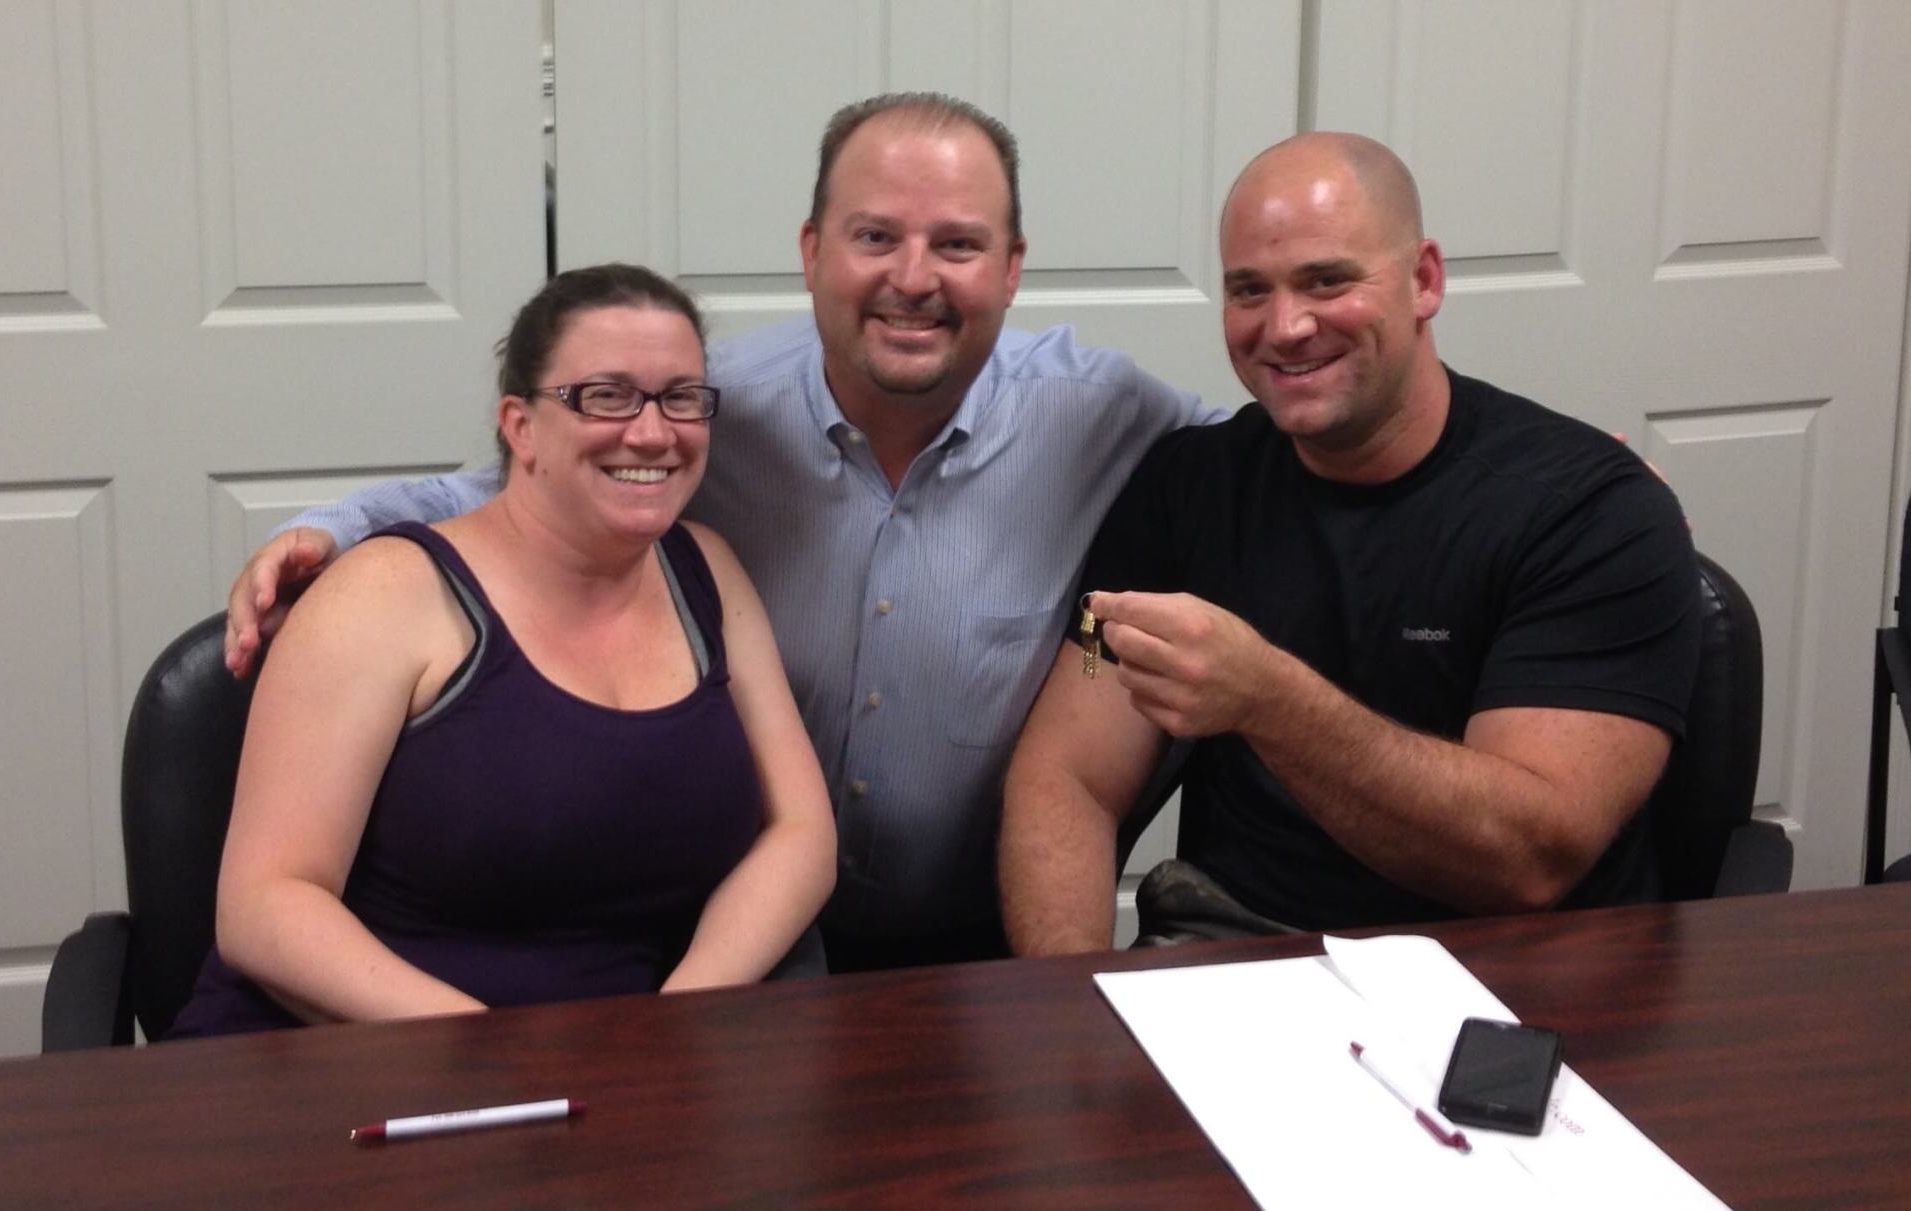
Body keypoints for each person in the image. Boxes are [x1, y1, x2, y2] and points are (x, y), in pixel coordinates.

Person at [217, 94, 1218, 971]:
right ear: (811, 251)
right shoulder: (705, 412)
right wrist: (331, 526)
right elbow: (521, 477)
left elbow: (1266, 467)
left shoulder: (1103, 413)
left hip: (983, 935)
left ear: (1010, 268)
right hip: (751, 938)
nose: (913, 278)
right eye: (874, 237)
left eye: (957, 244)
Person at [998, 133, 1701, 953]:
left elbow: (1528, 859)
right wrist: (1070, 1007)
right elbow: (1069, 772)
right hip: (1243, 963)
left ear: (1424, 279)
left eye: (1327, 281)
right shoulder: (1188, 487)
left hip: (1514, 985)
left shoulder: (1585, 512)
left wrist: (1269, 699)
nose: (1286, 326)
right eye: (1248, 290)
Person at [171, 264, 835, 1035]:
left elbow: (802, 832)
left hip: (619, 1082)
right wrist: (499, 1059)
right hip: (348, 1060)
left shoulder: (707, 573)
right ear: (520, 425)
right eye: (606, 395)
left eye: (681, 397)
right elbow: (262, 906)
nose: (653, 432)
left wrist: (676, 1022)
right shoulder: (384, 592)